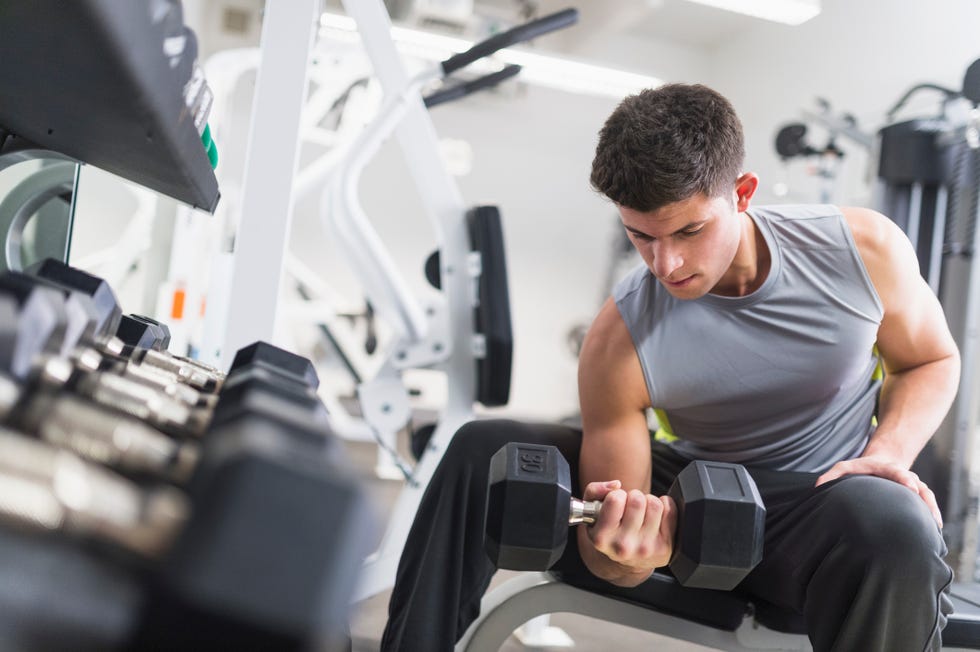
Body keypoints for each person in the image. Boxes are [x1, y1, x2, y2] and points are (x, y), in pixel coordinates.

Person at [380, 83, 960, 652]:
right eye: (641, 237)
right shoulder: (620, 338)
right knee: (486, 450)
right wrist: (630, 558)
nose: (667, 263)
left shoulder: (859, 251)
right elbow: (610, 550)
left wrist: (884, 457)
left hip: (819, 499)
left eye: (689, 230)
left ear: (743, 192)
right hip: (691, 496)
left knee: (892, 520)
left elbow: (930, 360)